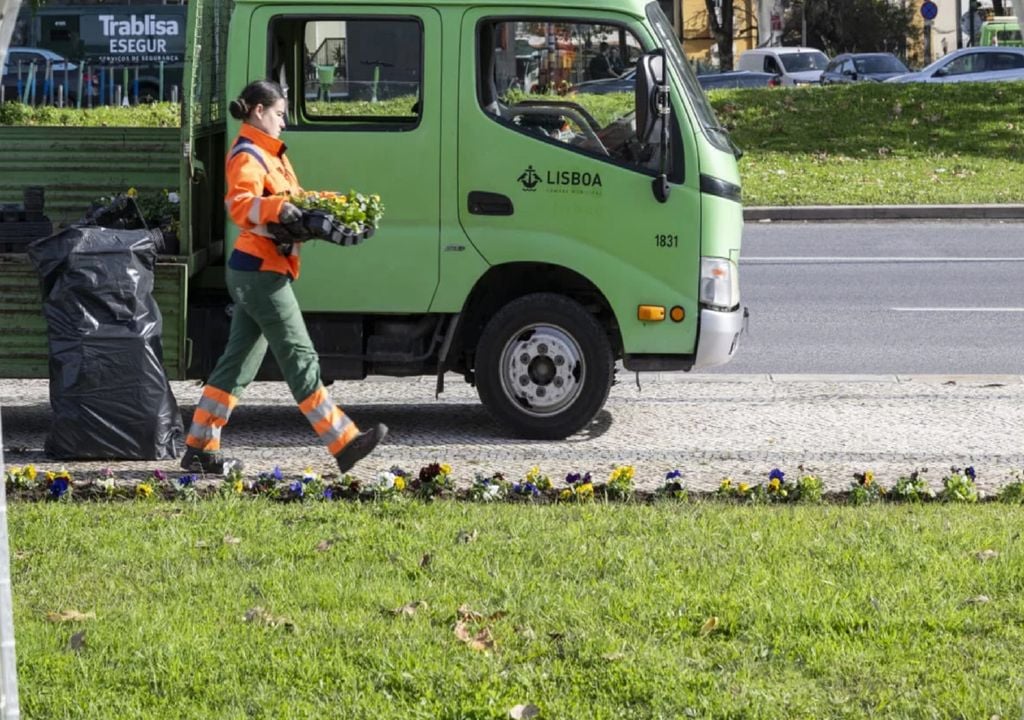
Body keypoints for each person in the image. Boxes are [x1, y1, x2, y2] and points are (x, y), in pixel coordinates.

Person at [180, 79, 387, 476]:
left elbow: (295, 199)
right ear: (258, 112)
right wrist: (278, 211)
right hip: (261, 273)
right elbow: (240, 206)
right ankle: (344, 442)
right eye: (279, 114)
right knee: (300, 357)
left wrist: (342, 207)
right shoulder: (248, 155)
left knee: (236, 366)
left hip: (255, 270)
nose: (284, 122)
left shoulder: (269, 154)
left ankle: (200, 449)